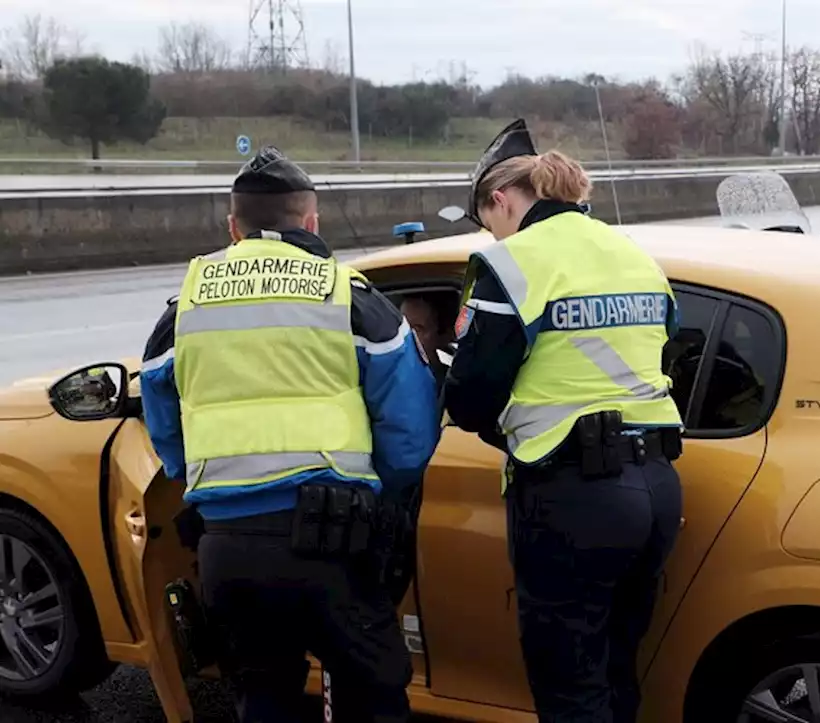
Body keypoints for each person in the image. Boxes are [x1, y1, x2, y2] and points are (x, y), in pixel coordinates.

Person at [138, 145, 438, 723]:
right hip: (335, 542)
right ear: (312, 221)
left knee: (264, 696)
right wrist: (385, 495)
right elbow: (409, 429)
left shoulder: (187, 306)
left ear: (233, 226)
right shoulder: (350, 297)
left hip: (228, 546)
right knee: (371, 695)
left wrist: (205, 480)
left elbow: (164, 423)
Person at [444, 119, 685, 723]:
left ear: (500, 201)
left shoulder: (512, 263)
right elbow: (665, 345)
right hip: (656, 485)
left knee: (569, 684)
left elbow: (471, 396)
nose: (490, 233)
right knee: (615, 669)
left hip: (574, 496)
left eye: (485, 220)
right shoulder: (633, 253)